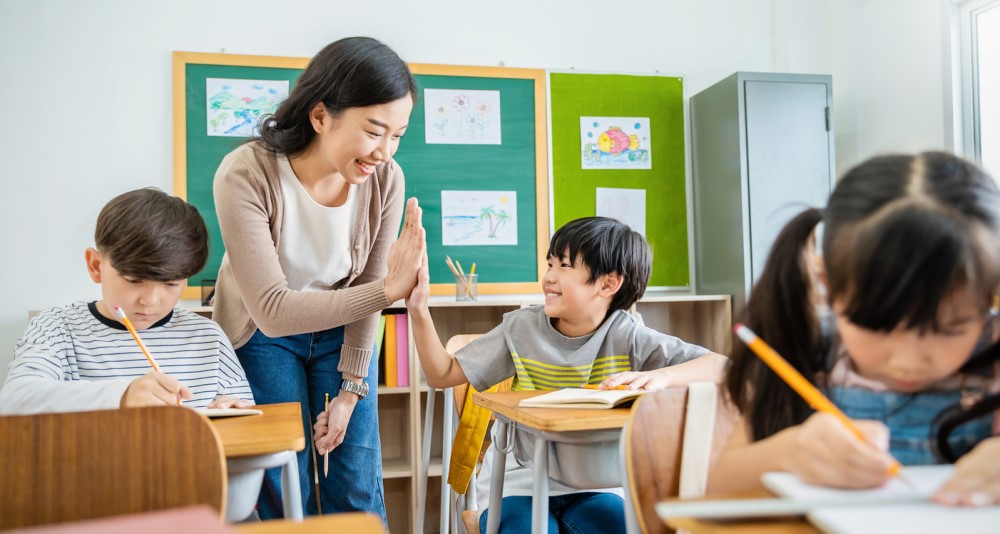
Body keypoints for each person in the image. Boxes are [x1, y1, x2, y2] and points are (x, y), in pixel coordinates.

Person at [325, 216, 727, 533]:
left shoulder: (628, 335)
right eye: (550, 263)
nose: (549, 276)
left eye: (565, 266)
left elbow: (721, 365)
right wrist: (418, 310)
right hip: (518, 483)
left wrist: (659, 378)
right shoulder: (521, 328)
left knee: (622, 525)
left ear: (608, 283)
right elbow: (443, 373)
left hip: (594, 484)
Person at [709, 151, 1000, 507]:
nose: (907, 361)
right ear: (828, 286)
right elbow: (720, 489)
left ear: (990, 298)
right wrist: (790, 452)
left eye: (950, 329)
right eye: (875, 326)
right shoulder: (811, 347)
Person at [211, 36, 424, 520]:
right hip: (262, 333)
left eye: (398, 135)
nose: (385, 152)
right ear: (321, 115)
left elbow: (368, 284)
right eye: (374, 131)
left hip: (342, 330)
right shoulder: (244, 174)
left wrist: (351, 390)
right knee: (284, 478)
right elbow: (273, 310)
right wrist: (389, 290)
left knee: (355, 483)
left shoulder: (387, 180)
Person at [0, 188, 253, 414]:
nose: (150, 301)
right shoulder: (57, 328)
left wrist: (232, 410)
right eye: (134, 280)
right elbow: (13, 400)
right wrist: (121, 396)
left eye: (171, 284)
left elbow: (244, 411)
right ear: (96, 265)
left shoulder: (207, 336)